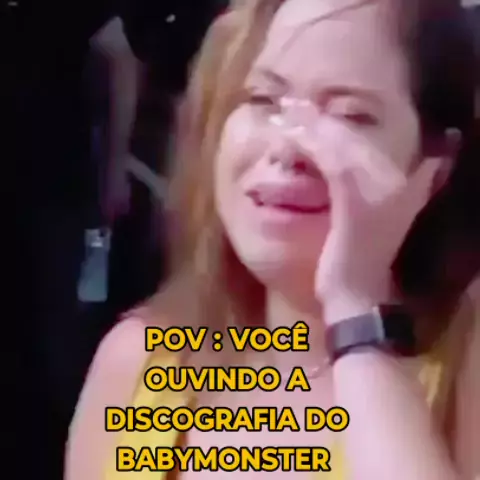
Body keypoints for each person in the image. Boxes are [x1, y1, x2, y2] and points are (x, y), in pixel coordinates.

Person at [66, 1, 480, 479]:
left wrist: (354, 312)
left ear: (436, 166)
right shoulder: (142, 359)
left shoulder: (463, 364)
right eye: (264, 100)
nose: (287, 148)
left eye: (350, 115)